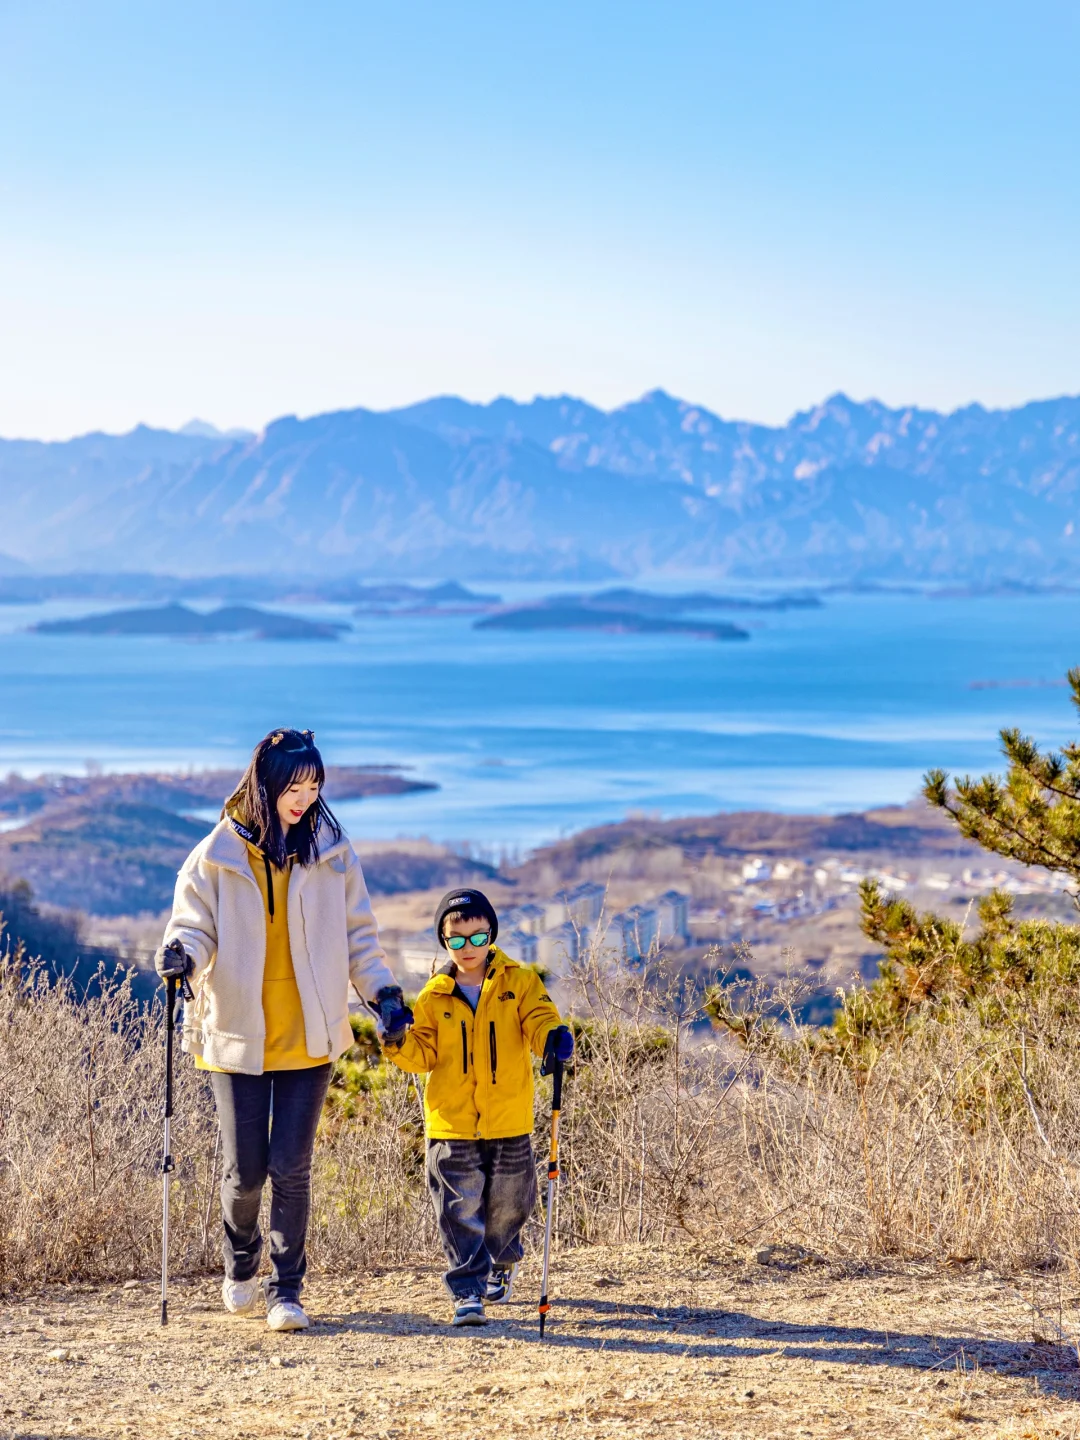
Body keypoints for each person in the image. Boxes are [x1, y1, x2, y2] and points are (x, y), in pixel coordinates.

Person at [155, 728, 410, 1332]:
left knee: (291, 1167)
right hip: (236, 1031)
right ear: (264, 784)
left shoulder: (332, 852)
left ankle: (285, 1289)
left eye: (314, 785)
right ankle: (240, 1263)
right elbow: (193, 926)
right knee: (245, 1171)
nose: (304, 797)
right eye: (294, 786)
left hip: (308, 1033)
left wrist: (385, 996)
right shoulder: (216, 854)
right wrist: (179, 956)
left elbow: (359, 939)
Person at [382, 887, 574, 1326]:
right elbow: (421, 1054)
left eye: (477, 936)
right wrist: (396, 1040)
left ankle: (501, 1260)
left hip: (508, 1118)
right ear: (444, 941)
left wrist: (554, 1041)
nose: (468, 948)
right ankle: (467, 1290)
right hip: (451, 1124)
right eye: (457, 939)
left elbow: (541, 1021)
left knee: (510, 1203)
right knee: (458, 1208)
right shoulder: (434, 995)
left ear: (491, 934)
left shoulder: (520, 982)